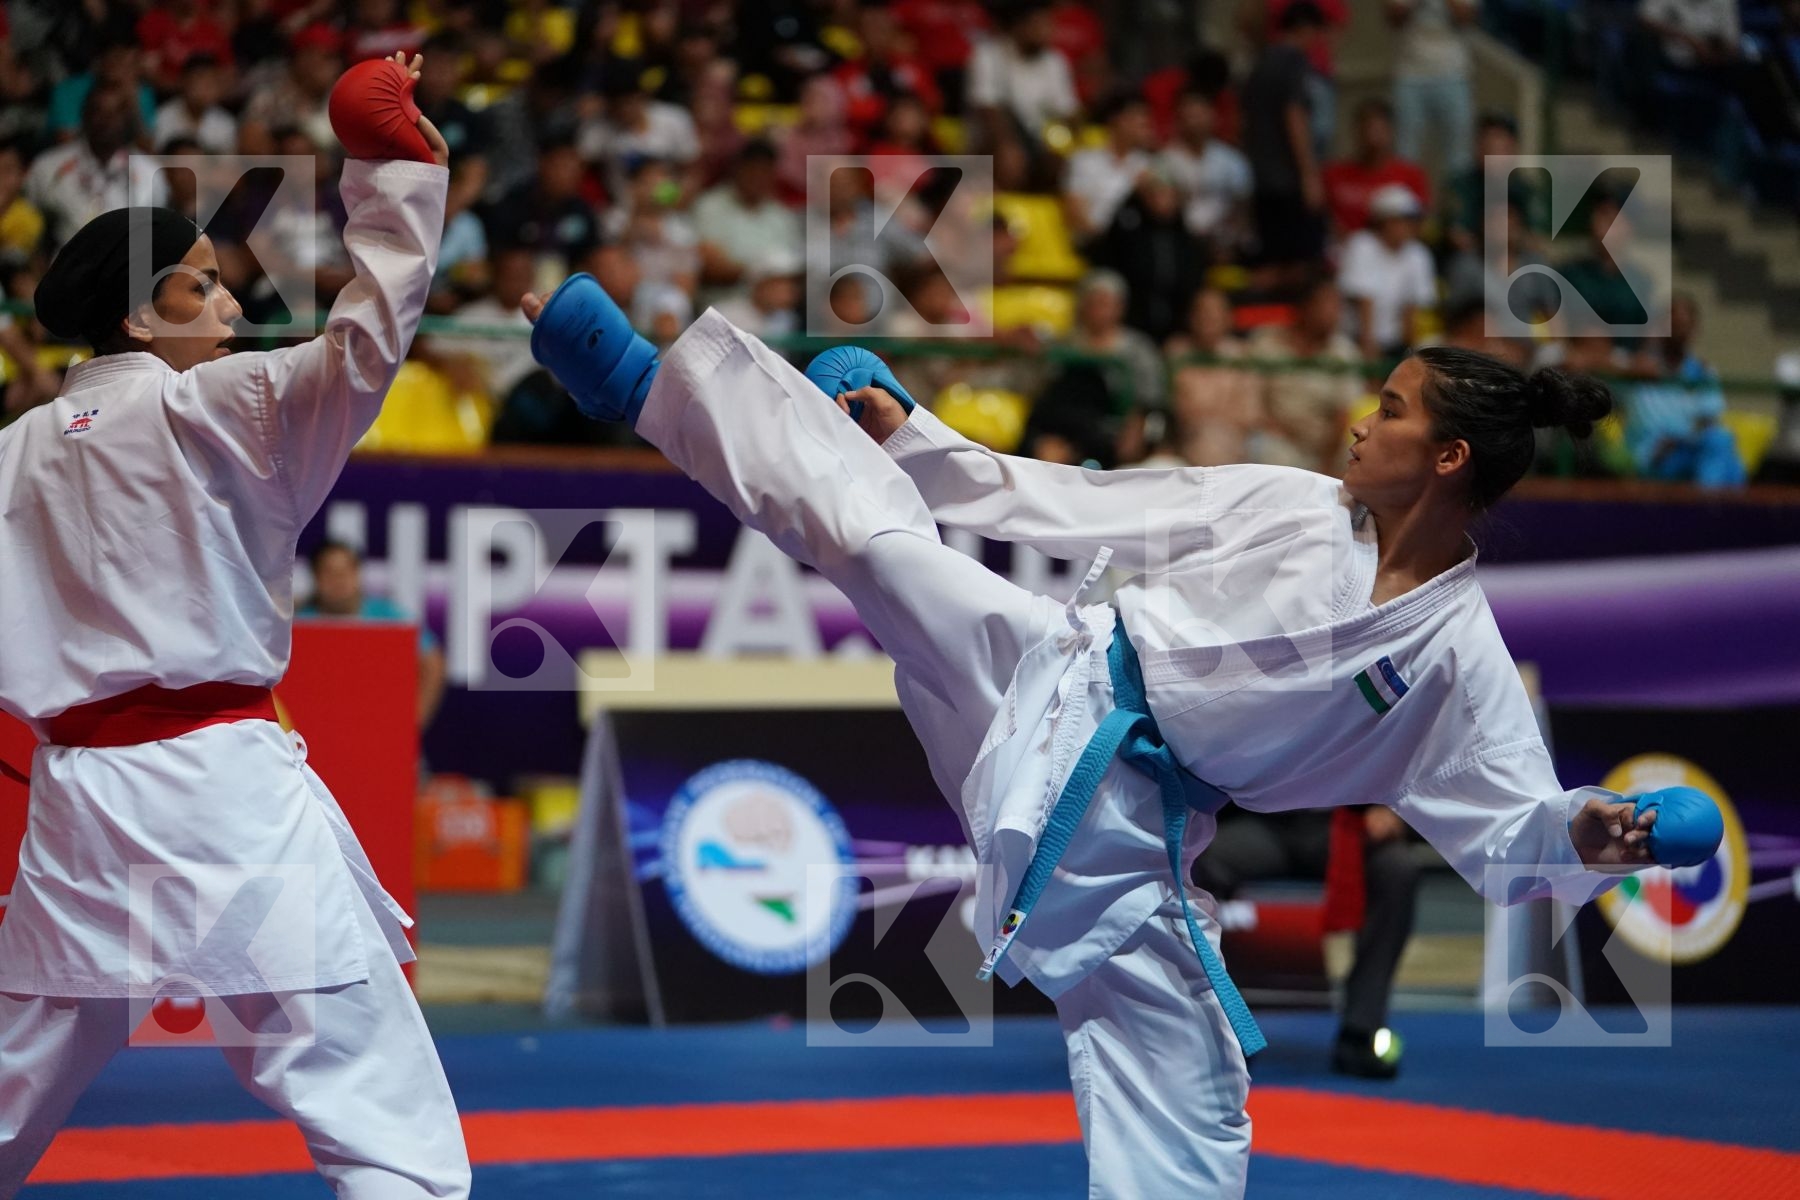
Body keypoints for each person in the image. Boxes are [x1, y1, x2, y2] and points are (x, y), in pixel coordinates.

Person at [519, 272, 1721, 1197]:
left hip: (1142, 834)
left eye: (1392, 410)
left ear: (1449, 458)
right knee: (883, 546)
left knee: (1194, 1090)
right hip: (1056, 675)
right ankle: (640, 387)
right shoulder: (1297, 508)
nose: (1362, 422)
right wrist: (911, 434)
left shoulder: (1456, 660)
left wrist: (1605, 832)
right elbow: (1099, 504)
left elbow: (1512, 831)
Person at [0, 52, 470, 1196]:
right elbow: (366, 344)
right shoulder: (218, 404)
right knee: (370, 1093)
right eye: (200, 285)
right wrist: (396, 171)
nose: (232, 304)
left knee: (14, 1083)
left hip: (78, 806)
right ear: (133, 314)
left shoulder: (9, 455)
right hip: (221, 789)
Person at [1192, 804, 1422, 1078]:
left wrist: (1390, 809)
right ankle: (1225, 1026)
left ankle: (1361, 1030)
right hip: (1261, 818)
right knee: (1194, 863)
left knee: (1395, 867)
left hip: (1338, 824)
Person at [300, 540, 449, 731]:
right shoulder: (300, 623)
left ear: (357, 573)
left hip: (383, 731)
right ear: (316, 577)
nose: (339, 579)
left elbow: (432, 662)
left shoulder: (389, 617)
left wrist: (416, 717)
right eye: (330, 572)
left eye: (347, 570)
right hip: (320, 732)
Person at [1337, 183, 1437, 360]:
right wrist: (1368, 347)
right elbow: (1363, 300)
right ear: (1383, 221)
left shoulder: (1419, 254)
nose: (1407, 226)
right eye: (1401, 220)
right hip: (1356, 338)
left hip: (1395, 341)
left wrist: (1409, 353)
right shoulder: (1361, 244)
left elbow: (1412, 307)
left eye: (1411, 220)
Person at [1387, 0, 1477, 175]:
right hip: (1410, 76)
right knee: (1405, 153)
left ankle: (1455, 201)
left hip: (1454, 75)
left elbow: (1466, 18)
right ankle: (1406, 200)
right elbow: (1393, 19)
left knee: (1459, 156)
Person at [1321, 97, 1430, 237]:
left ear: (1391, 131)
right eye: (1367, 128)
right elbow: (1323, 219)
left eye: (1379, 129)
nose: (1372, 137)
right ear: (1356, 131)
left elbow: (1421, 222)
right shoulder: (1333, 174)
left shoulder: (1410, 175)